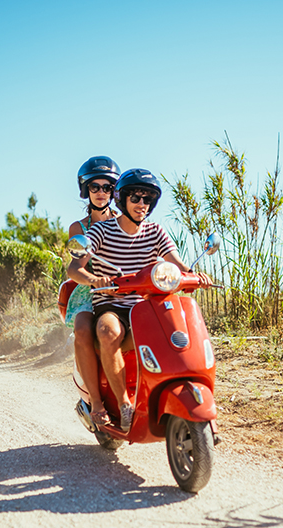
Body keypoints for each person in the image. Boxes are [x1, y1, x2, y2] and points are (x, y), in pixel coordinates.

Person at [67, 168, 212, 431]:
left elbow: (177, 264)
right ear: (122, 200)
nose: (141, 204)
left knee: (177, 334)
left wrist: (194, 276)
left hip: (145, 305)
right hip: (111, 304)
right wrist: (93, 279)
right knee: (107, 330)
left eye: (147, 199)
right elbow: (74, 269)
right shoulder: (101, 231)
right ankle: (124, 404)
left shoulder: (156, 231)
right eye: (135, 198)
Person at [64, 156, 121, 426]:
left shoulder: (125, 222)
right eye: (94, 187)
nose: (100, 192)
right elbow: (74, 269)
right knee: (84, 328)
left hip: (124, 291)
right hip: (91, 293)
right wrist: (93, 279)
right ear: (85, 190)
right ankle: (96, 404)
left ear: (114, 190)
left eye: (107, 187)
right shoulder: (79, 228)